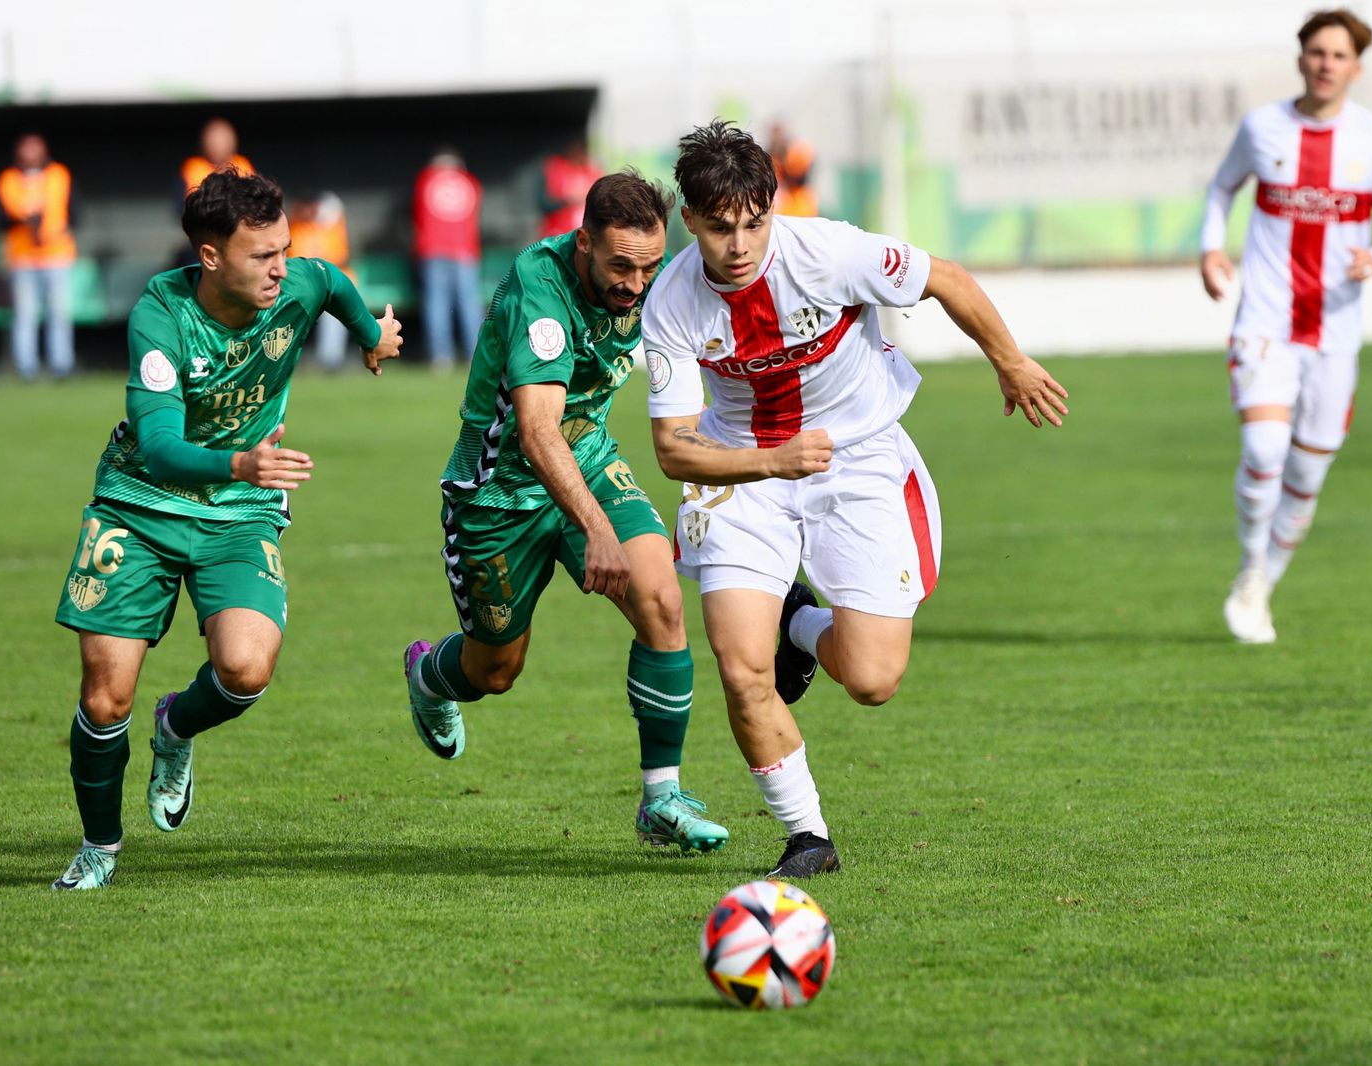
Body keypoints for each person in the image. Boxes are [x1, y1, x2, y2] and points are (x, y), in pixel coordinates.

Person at [642, 120, 1068, 879]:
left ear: (772, 208)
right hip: (742, 474)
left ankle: (799, 623)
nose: (739, 246)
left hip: (860, 461)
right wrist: (771, 461)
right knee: (742, 669)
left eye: (753, 224)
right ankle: (809, 838)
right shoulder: (672, 302)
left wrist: (1010, 363)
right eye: (718, 229)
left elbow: (948, 280)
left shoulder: (831, 253)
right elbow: (673, 449)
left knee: (872, 680)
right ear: (690, 221)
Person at [49, 170, 403, 890]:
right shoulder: (159, 314)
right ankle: (99, 848)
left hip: (239, 510)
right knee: (102, 697)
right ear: (211, 257)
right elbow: (157, 446)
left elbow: (329, 281)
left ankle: (175, 727)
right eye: (262, 256)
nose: (281, 268)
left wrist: (371, 336)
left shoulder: (295, 282)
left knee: (245, 670)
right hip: (140, 503)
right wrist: (239, 461)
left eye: (283, 249)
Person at [402, 171, 729, 855]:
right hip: (498, 493)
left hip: (592, 460)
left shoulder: (656, 274)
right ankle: (429, 674)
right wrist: (599, 532)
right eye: (620, 267)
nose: (636, 285)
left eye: (647, 266)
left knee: (663, 603)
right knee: (496, 670)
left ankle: (661, 798)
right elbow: (537, 430)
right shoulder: (541, 292)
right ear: (583, 242)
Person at [1200, 8, 1372, 644]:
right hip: (1265, 322)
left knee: (1307, 476)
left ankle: (1265, 581)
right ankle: (1248, 571)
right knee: (1265, 450)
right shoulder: (1263, 127)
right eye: (1317, 52)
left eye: (1339, 55)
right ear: (1301, 58)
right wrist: (1213, 249)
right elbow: (1221, 189)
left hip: (1335, 335)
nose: (1327, 64)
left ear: (1357, 67)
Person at [0, 133, 78, 380]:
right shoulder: (9, 180)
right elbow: (1, 218)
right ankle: (26, 368)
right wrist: (25, 221)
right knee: (25, 314)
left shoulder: (59, 175)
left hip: (56, 255)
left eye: (35, 148)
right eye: (26, 148)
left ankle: (61, 365)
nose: (30, 153)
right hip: (23, 257)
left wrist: (52, 230)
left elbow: (74, 213)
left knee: (59, 312)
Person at [412, 149, 484, 368]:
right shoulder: (469, 182)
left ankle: (441, 357)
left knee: (436, 304)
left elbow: (416, 213)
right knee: (469, 304)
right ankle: (476, 355)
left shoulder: (426, 180)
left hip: (433, 250)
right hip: (464, 250)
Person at [288, 189, 355, 371]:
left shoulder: (330, 227)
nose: (308, 211)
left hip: (331, 282)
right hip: (302, 286)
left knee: (335, 307)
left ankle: (331, 361)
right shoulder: (294, 228)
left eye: (312, 206)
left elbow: (338, 259)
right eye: (304, 206)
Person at [537, 139, 602, 239]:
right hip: (558, 232)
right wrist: (568, 198)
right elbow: (545, 201)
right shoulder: (557, 167)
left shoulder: (592, 171)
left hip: (584, 233)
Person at [182, 117, 255, 196]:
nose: (218, 146)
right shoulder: (194, 167)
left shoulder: (242, 165)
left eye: (223, 140)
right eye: (214, 141)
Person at [767, 122, 818, 218]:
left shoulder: (798, 152)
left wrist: (784, 160)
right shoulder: (770, 156)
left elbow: (801, 179)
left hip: (801, 202)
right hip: (783, 203)